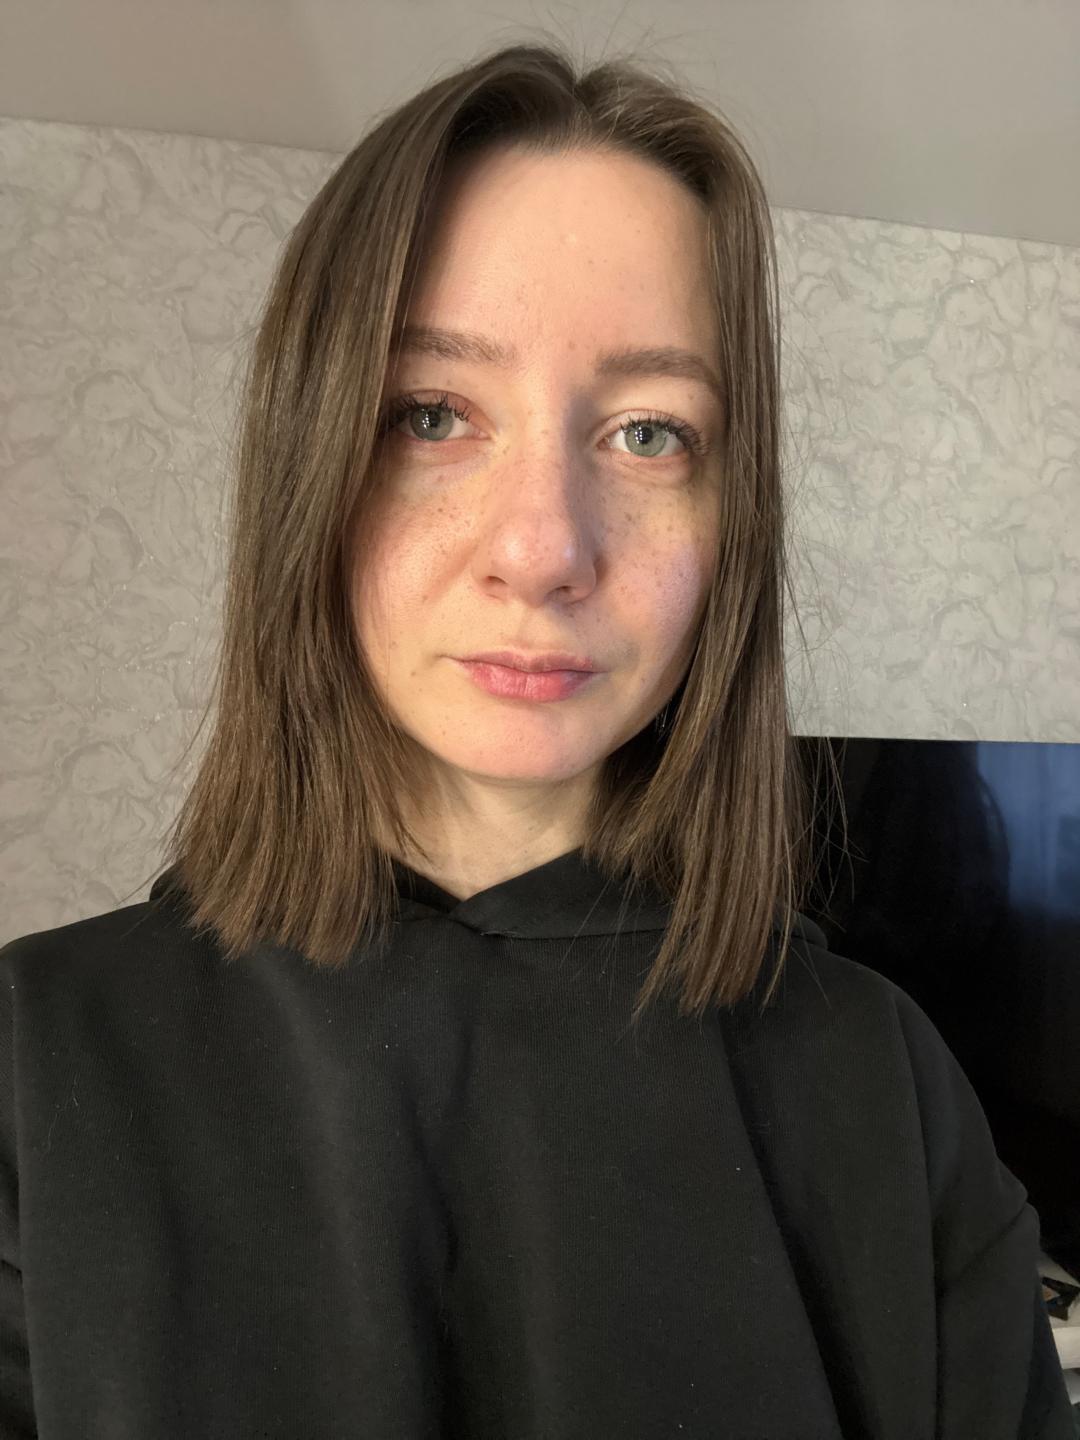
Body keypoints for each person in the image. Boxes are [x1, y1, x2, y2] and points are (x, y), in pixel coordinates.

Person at [0, 36, 1073, 1440]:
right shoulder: (34, 1066)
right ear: (308, 463)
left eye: (649, 434)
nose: (545, 548)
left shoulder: (889, 1086)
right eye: (433, 414)